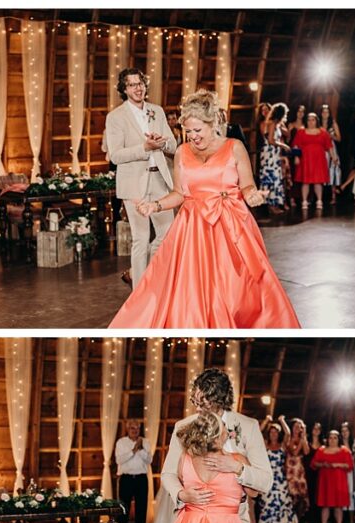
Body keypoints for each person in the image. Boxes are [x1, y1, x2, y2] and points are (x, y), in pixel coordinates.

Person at [109, 90, 301, 328]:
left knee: (235, 288)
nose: (192, 136)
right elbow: (179, 193)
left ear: (213, 124)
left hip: (230, 225)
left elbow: (248, 184)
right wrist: (155, 205)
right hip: (193, 228)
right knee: (192, 289)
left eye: (197, 130)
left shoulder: (234, 147)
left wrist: (252, 195)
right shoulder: (181, 151)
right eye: (187, 131)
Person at [157, 369, 271, 523]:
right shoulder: (184, 427)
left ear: (221, 401)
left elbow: (265, 481)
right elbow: (168, 473)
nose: (198, 409)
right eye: (196, 402)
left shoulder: (248, 426)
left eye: (204, 404)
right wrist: (181, 494)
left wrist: (237, 467)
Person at [102, 68, 177, 288]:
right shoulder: (115, 117)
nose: (138, 88)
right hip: (134, 184)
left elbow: (173, 144)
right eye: (132, 84)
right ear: (124, 90)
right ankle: (139, 294)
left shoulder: (157, 111)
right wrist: (144, 147)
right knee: (140, 239)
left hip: (161, 181)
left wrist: (161, 143)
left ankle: (149, 277)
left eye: (141, 83)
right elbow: (115, 155)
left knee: (168, 235)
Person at [258, 415, 298, 523]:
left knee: (281, 502)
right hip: (268, 477)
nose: (273, 434)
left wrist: (282, 421)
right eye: (271, 432)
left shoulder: (282, 446)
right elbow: (258, 433)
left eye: (275, 432)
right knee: (268, 502)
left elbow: (288, 434)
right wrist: (266, 421)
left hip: (280, 478)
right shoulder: (265, 445)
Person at [114, 420, 152, 523]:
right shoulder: (121, 442)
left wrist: (140, 449)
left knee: (141, 509)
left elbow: (149, 460)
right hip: (126, 479)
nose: (135, 430)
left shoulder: (145, 442)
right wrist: (133, 451)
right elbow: (119, 460)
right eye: (132, 428)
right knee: (123, 509)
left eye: (137, 428)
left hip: (141, 479)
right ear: (127, 429)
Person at [311, 430, 355, 523]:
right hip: (325, 480)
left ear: (338, 439)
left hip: (338, 480)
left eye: (335, 438)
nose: (332, 440)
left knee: (338, 505)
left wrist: (337, 465)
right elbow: (314, 463)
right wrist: (322, 465)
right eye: (330, 437)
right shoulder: (322, 450)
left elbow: (349, 465)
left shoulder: (344, 450)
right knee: (325, 504)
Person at [291, 112, 336, 209]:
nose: (311, 122)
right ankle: (304, 201)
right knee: (305, 181)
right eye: (309, 120)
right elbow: (296, 146)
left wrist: (333, 157)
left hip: (318, 159)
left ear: (316, 121)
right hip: (305, 159)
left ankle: (319, 200)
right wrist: (296, 157)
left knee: (318, 181)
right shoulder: (301, 132)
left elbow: (329, 146)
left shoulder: (323, 132)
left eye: (313, 120)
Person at [259, 103, 290, 214]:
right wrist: (284, 146)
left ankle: (274, 204)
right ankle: (271, 205)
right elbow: (271, 140)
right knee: (272, 178)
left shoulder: (277, 124)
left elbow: (287, 134)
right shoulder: (271, 124)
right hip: (269, 155)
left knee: (276, 178)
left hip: (273, 154)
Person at [284, 418, 311, 523]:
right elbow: (294, 451)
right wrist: (301, 440)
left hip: (299, 472)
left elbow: (306, 452)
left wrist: (304, 437)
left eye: (300, 427)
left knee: (302, 499)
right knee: (292, 498)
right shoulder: (288, 438)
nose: (297, 428)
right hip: (290, 471)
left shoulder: (302, 439)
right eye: (296, 426)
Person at [339, 422, 355, 521]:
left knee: (351, 492)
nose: (344, 433)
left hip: (351, 470)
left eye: (346, 431)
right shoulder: (339, 443)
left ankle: (351, 522)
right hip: (341, 469)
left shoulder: (354, 442)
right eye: (342, 431)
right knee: (341, 492)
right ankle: (339, 521)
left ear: (350, 432)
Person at [320, 105, 343, 196]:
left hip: (331, 148)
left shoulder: (333, 124)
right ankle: (319, 196)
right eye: (323, 112)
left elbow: (339, 138)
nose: (325, 114)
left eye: (327, 112)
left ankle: (333, 196)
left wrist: (331, 136)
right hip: (321, 148)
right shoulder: (318, 124)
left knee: (333, 169)